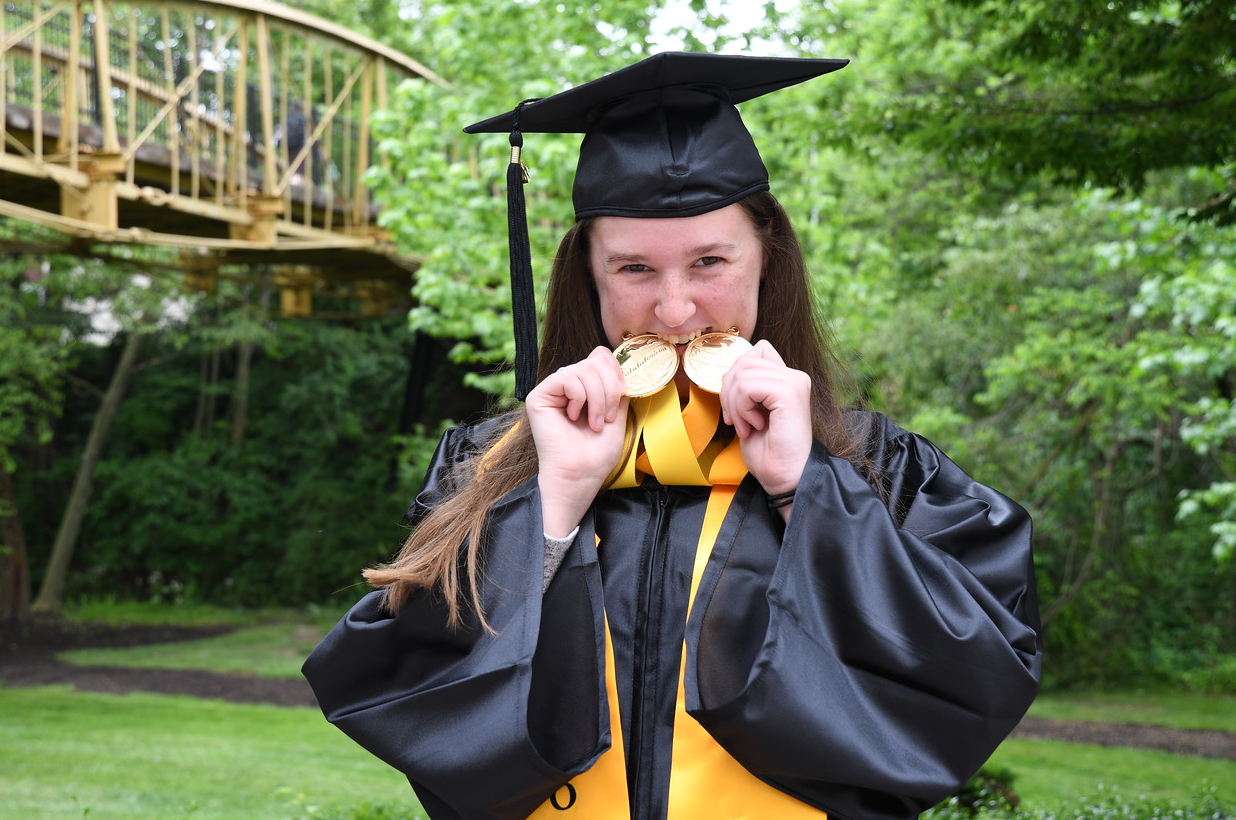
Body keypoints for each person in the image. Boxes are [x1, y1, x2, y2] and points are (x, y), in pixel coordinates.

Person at [303, 52, 1042, 820]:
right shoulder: (494, 462)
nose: (677, 308)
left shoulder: (877, 465)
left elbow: (977, 673)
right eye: (634, 269)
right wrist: (549, 508)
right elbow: (406, 685)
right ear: (588, 276)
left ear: (768, 261)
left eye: (711, 261)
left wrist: (807, 491)